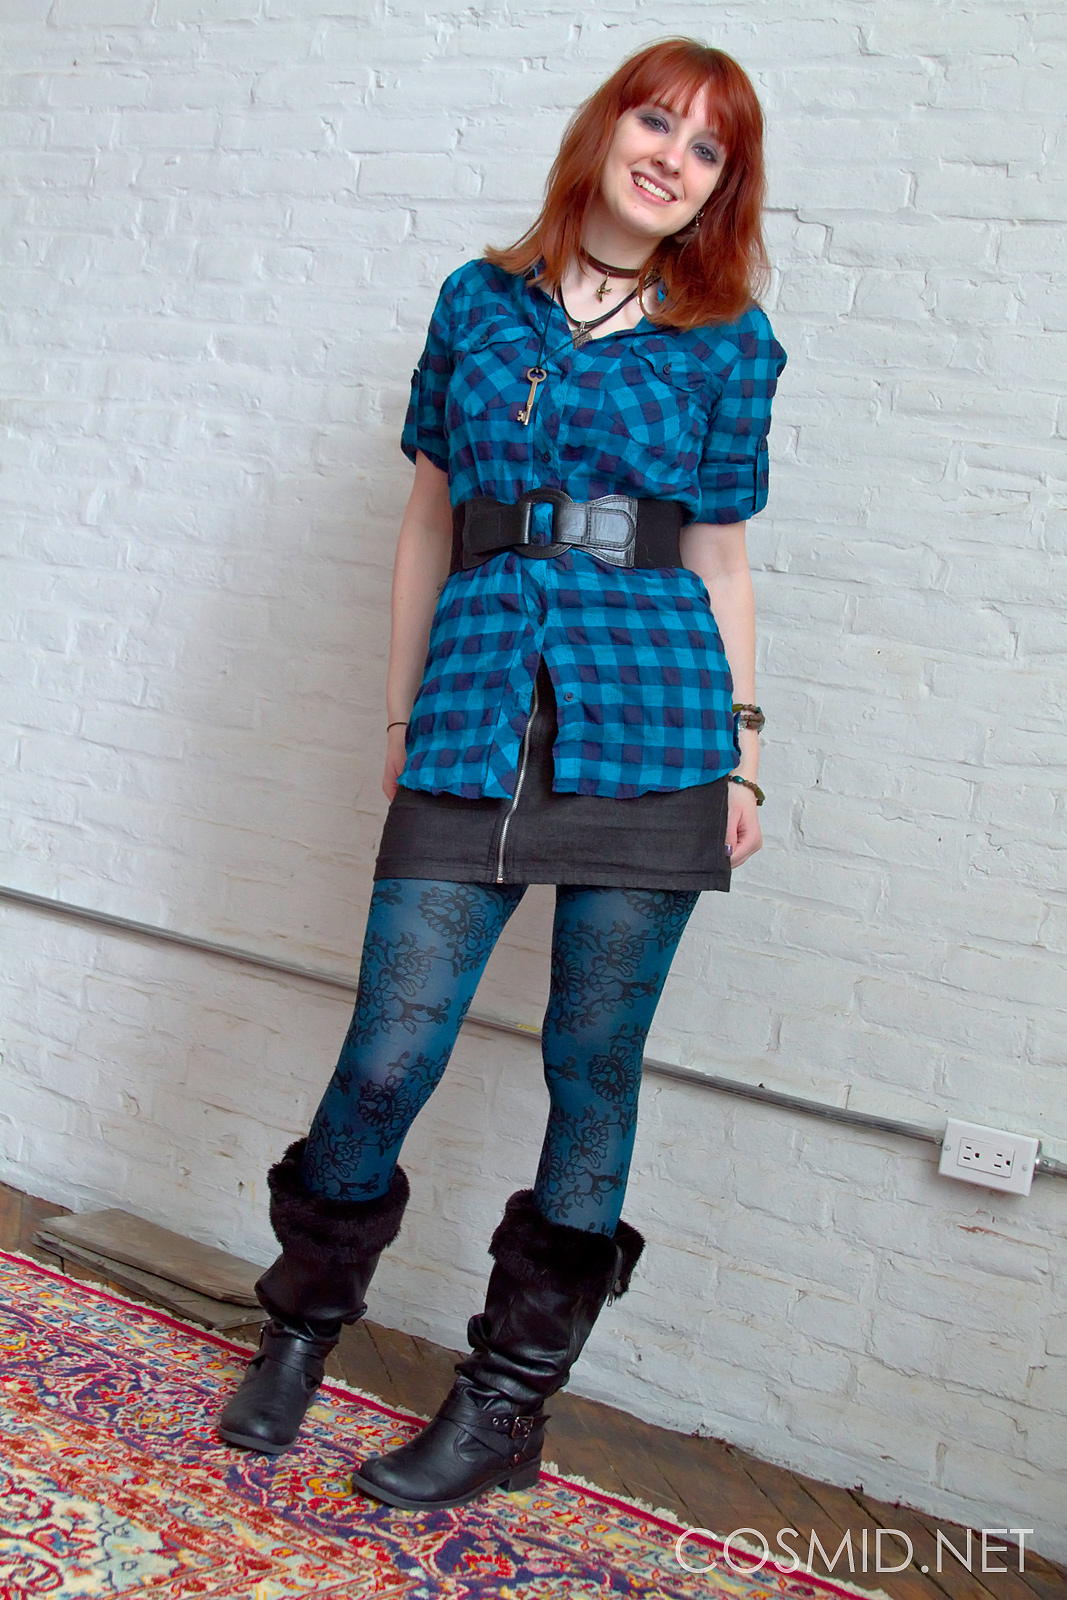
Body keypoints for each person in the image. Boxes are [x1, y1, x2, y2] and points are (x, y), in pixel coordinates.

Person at [217, 35, 785, 1512]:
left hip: (655, 723)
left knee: (591, 1068)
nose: (673, 160)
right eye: (658, 123)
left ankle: (506, 1406)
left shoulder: (727, 338)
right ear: (606, 129)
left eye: (709, 150)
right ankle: (301, 1325)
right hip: (473, 707)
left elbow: (720, 559)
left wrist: (743, 755)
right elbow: (427, 522)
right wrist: (401, 717)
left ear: (720, 188)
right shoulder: (477, 301)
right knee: (386, 1056)